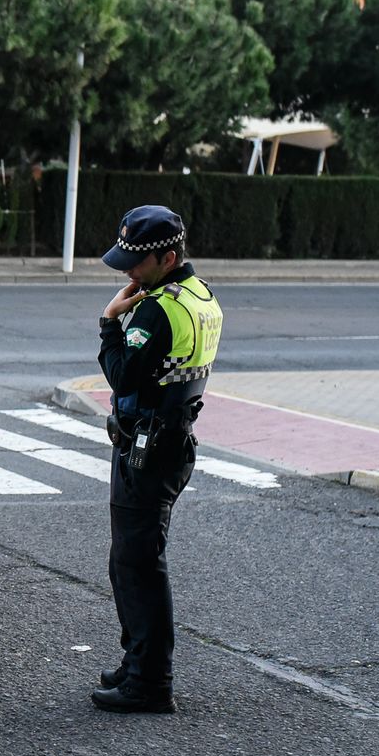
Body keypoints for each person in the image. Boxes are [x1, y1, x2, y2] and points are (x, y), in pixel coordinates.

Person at [93, 205, 222, 714]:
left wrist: (109, 322)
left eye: (136, 263)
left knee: (139, 565)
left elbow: (123, 375)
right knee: (131, 560)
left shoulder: (155, 309)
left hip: (148, 447)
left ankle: (150, 681)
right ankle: (137, 661)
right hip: (172, 441)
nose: (127, 271)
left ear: (168, 258)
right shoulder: (200, 296)